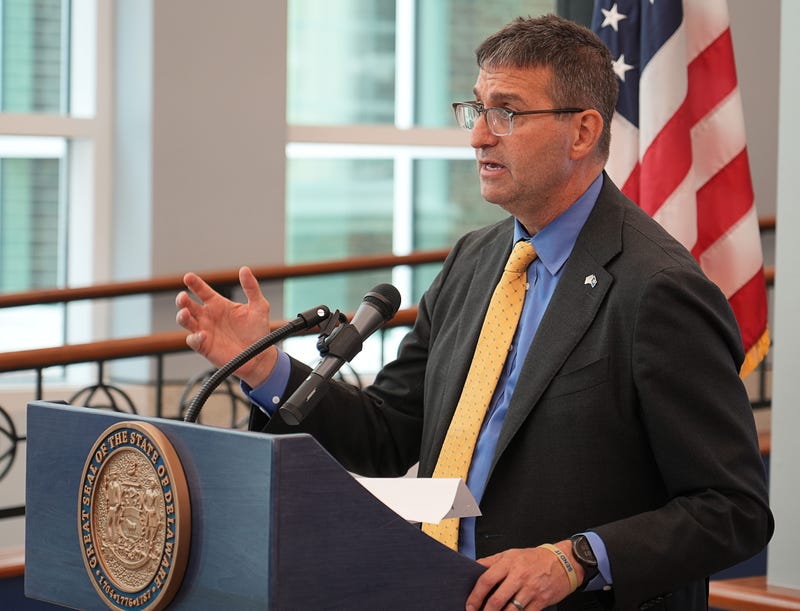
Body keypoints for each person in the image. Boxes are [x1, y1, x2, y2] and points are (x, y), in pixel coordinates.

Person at [176, 14, 772, 611]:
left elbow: (733, 508)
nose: (478, 137)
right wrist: (264, 369)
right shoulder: (474, 260)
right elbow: (387, 434)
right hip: (436, 590)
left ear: (584, 132)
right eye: (476, 110)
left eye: (506, 113)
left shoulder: (658, 288)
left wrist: (577, 558)